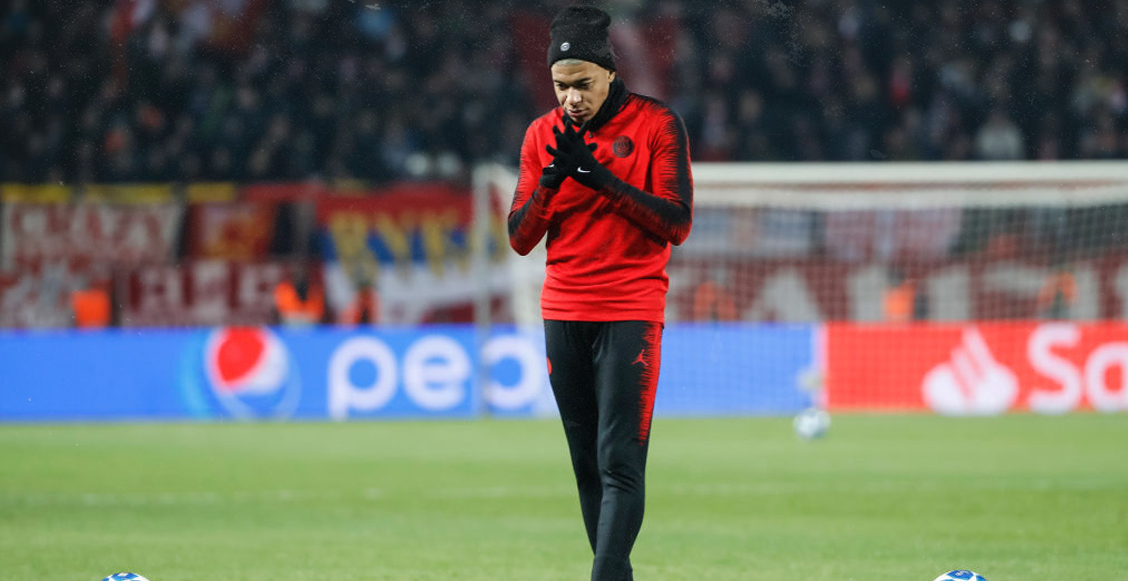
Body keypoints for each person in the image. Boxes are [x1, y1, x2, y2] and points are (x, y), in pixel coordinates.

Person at [507, 6, 693, 580]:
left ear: (610, 72)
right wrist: (550, 183)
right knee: (586, 465)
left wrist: (601, 179)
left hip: (630, 310)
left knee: (619, 461)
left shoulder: (657, 124)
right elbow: (519, 238)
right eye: (561, 86)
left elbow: (677, 223)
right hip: (563, 311)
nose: (571, 98)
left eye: (582, 83)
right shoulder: (540, 136)